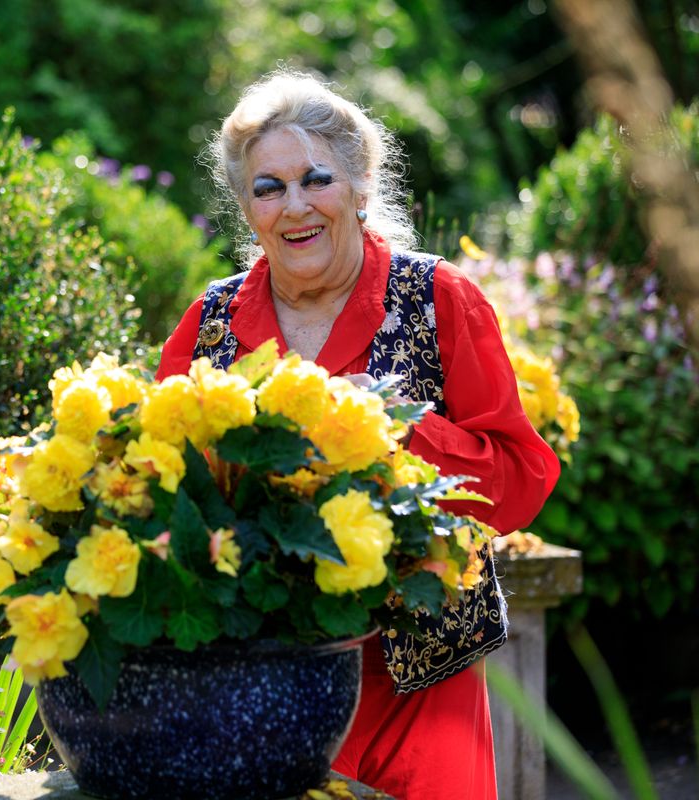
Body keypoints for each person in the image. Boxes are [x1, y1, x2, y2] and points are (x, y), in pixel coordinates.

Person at [156, 70, 561, 800]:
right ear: (246, 208)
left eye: (317, 179)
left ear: (361, 184)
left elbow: (520, 479)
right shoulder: (209, 324)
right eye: (269, 188)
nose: (296, 206)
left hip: (421, 684)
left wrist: (394, 430)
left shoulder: (438, 300)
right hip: (259, 685)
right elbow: (160, 487)